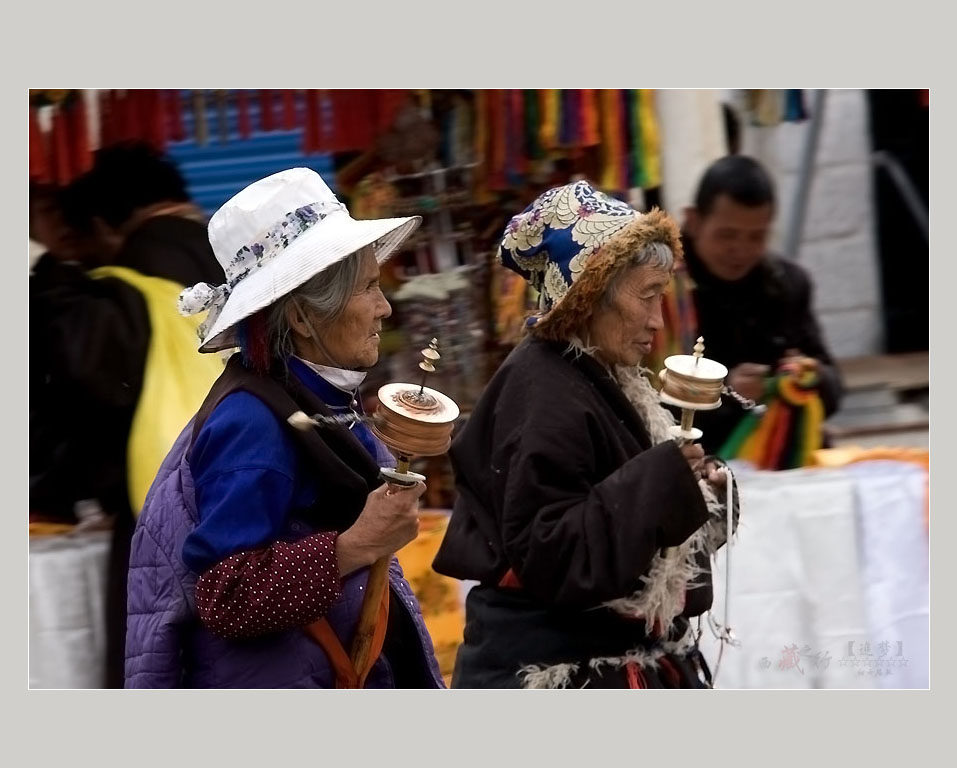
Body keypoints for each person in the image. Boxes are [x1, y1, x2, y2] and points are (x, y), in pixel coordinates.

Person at [124, 167, 445, 689]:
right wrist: (355, 545)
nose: (385, 308)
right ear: (301, 318)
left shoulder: (307, 395)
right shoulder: (252, 424)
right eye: (368, 287)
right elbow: (226, 596)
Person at [432, 180, 738, 689]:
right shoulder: (540, 391)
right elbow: (552, 552)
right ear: (590, 298)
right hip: (553, 671)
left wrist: (700, 492)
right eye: (646, 296)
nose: (658, 321)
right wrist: (661, 479)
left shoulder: (600, 375)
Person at [29, 145, 226, 687]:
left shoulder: (114, 294)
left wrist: (48, 265)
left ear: (101, 226)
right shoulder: (256, 264)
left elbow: (79, 406)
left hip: (164, 531)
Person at [679, 155, 843, 454]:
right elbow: (645, 404)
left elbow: (832, 390)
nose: (740, 250)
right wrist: (725, 393)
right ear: (693, 222)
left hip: (776, 457)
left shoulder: (786, 285)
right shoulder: (660, 291)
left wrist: (809, 376)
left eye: (757, 237)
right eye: (727, 235)